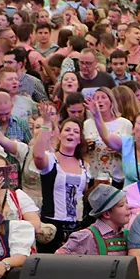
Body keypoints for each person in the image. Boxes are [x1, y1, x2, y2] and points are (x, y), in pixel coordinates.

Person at [30, 104, 92, 252]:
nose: (71, 133)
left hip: (76, 225)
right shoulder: (51, 160)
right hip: (52, 225)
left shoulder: (84, 165)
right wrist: (46, 123)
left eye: (76, 131)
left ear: (79, 139)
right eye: (67, 130)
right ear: (60, 135)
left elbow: (83, 193)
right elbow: (37, 155)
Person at [56, 185, 132, 256]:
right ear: (106, 214)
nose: (128, 207)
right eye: (121, 205)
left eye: (127, 202)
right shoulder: (85, 237)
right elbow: (58, 260)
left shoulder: (129, 235)